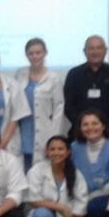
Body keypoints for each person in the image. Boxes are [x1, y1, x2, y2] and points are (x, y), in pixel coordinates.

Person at [26, 135, 88, 217]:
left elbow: (80, 212)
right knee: (41, 216)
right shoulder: (37, 170)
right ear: (47, 152)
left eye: (60, 149)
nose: (56, 152)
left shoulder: (76, 175)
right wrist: (61, 207)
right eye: (52, 149)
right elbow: (33, 200)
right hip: (43, 213)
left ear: (68, 152)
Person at [13, 38, 66, 170]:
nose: (35, 56)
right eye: (31, 53)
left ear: (45, 53)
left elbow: (58, 109)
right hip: (23, 130)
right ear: (26, 55)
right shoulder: (20, 74)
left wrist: (54, 139)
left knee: (41, 172)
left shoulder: (53, 78)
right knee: (22, 170)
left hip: (44, 132)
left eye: (38, 52)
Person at [63, 35, 109, 132]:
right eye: (91, 48)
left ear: (105, 51)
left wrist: (104, 125)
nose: (95, 52)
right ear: (84, 51)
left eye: (99, 48)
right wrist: (84, 124)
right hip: (80, 130)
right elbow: (68, 105)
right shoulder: (74, 74)